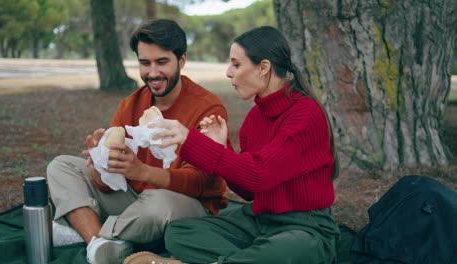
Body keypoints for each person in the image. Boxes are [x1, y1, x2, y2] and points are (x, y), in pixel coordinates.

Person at [126, 26, 341, 264]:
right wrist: (222, 148)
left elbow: (259, 175)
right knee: (179, 233)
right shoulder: (254, 119)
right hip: (259, 222)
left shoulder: (305, 113)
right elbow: (248, 192)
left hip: (305, 228)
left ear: (263, 68)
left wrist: (191, 140)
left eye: (236, 65)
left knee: (287, 250)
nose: (229, 73)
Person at [46, 19, 229, 264]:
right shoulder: (131, 104)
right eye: (145, 63)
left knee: (158, 204)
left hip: (187, 204)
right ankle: (98, 242)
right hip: (134, 198)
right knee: (61, 166)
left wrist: (141, 171)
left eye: (162, 62)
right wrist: (101, 164)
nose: (152, 73)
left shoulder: (207, 108)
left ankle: (89, 233)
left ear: (181, 60)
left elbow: (199, 183)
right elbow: (108, 185)